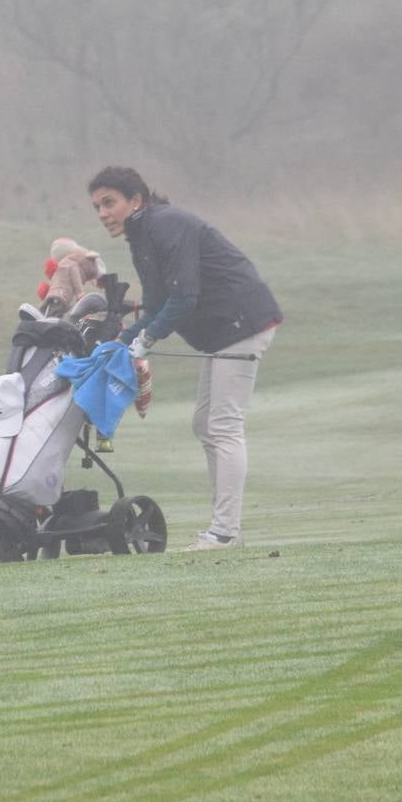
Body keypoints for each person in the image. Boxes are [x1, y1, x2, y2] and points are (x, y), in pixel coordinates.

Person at [87, 166, 282, 551]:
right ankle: (229, 531)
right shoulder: (142, 234)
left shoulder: (166, 225)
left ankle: (224, 534)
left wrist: (148, 337)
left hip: (242, 323)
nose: (102, 213)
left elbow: (184, 297)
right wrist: (120, 343)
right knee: (205, 425)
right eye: (96, 206)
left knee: (222, 425)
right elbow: (158, 302)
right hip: (224, 332)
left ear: (136, 200)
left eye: (109, 203)